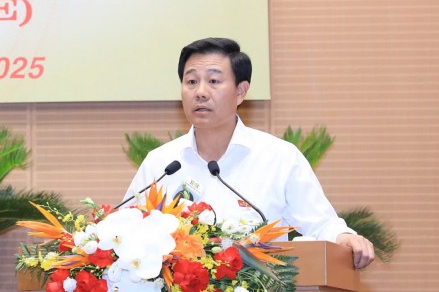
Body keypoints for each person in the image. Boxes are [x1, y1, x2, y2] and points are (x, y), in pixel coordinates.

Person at [123, 37, 375, 269]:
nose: (200, 92)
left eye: (213, 81)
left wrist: (344, 237)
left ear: (240, 92)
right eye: (191, 82)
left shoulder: (279, 158)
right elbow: (125, 229)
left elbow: (321, 224)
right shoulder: (161, 163)